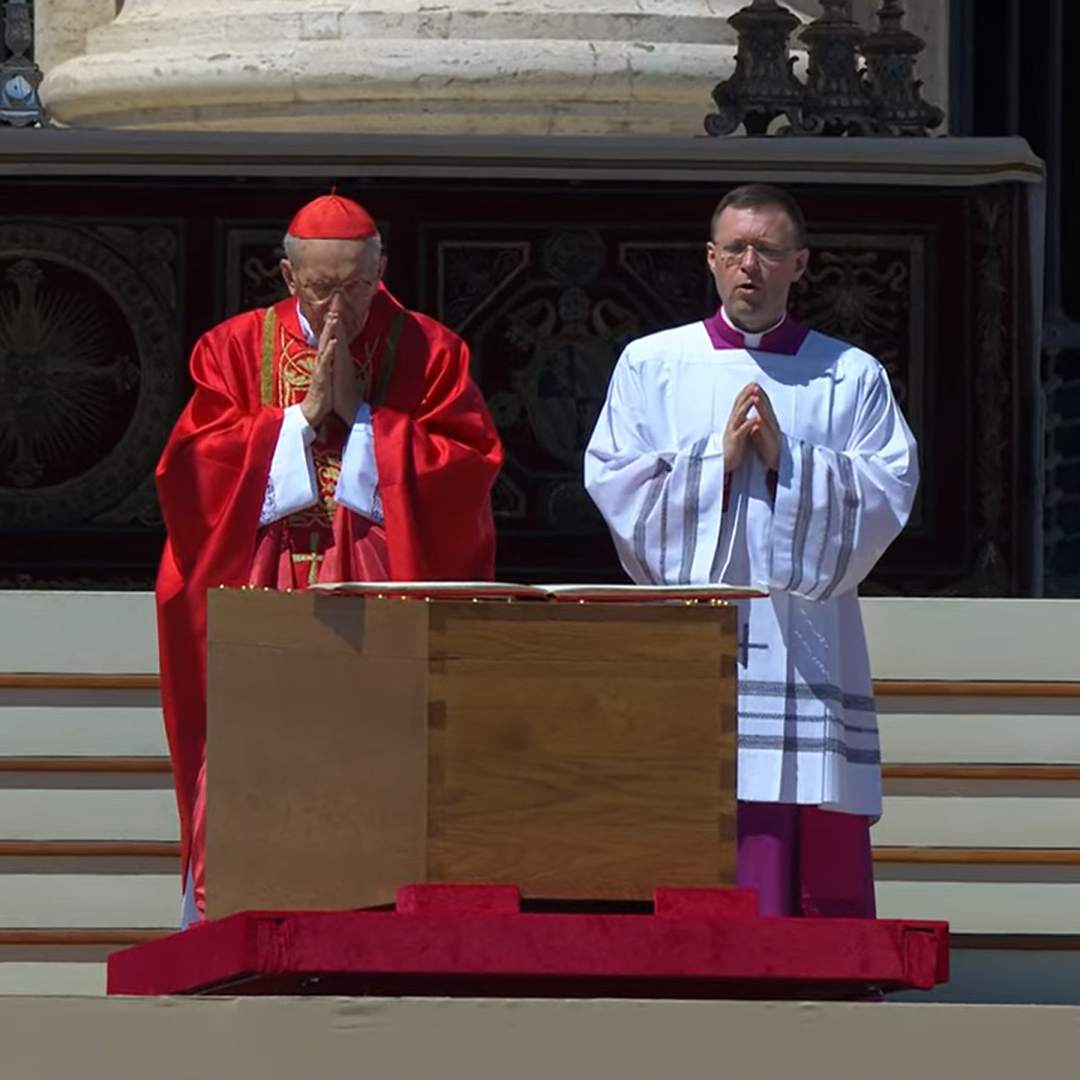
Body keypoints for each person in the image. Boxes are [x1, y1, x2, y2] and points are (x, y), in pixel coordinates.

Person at [155, 192, 503, 927]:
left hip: (384, 589)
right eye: (320, 287)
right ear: (288, 275)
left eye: (355, 286)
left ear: (381, 271)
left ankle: (383, 925)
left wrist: (369, 423)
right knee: (255, 760)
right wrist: (299, 422)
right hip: (264, 587)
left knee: (381, 765)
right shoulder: (233, 347)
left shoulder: (432, 350)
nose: (339, 306)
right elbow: (189, 471)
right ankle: (239, 922)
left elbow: (469, 469)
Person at [584, 183, 918, 918]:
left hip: (806, 640)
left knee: (806, 825)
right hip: (691, 639)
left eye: (768, 250)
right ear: (710, 258)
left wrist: (785, 462)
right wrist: (719, 460)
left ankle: (817, 962)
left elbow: (889, 489)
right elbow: (613, 480)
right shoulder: (652, 364)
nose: (750, 265)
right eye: (735, 248)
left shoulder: (850, 374)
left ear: (800, 264)